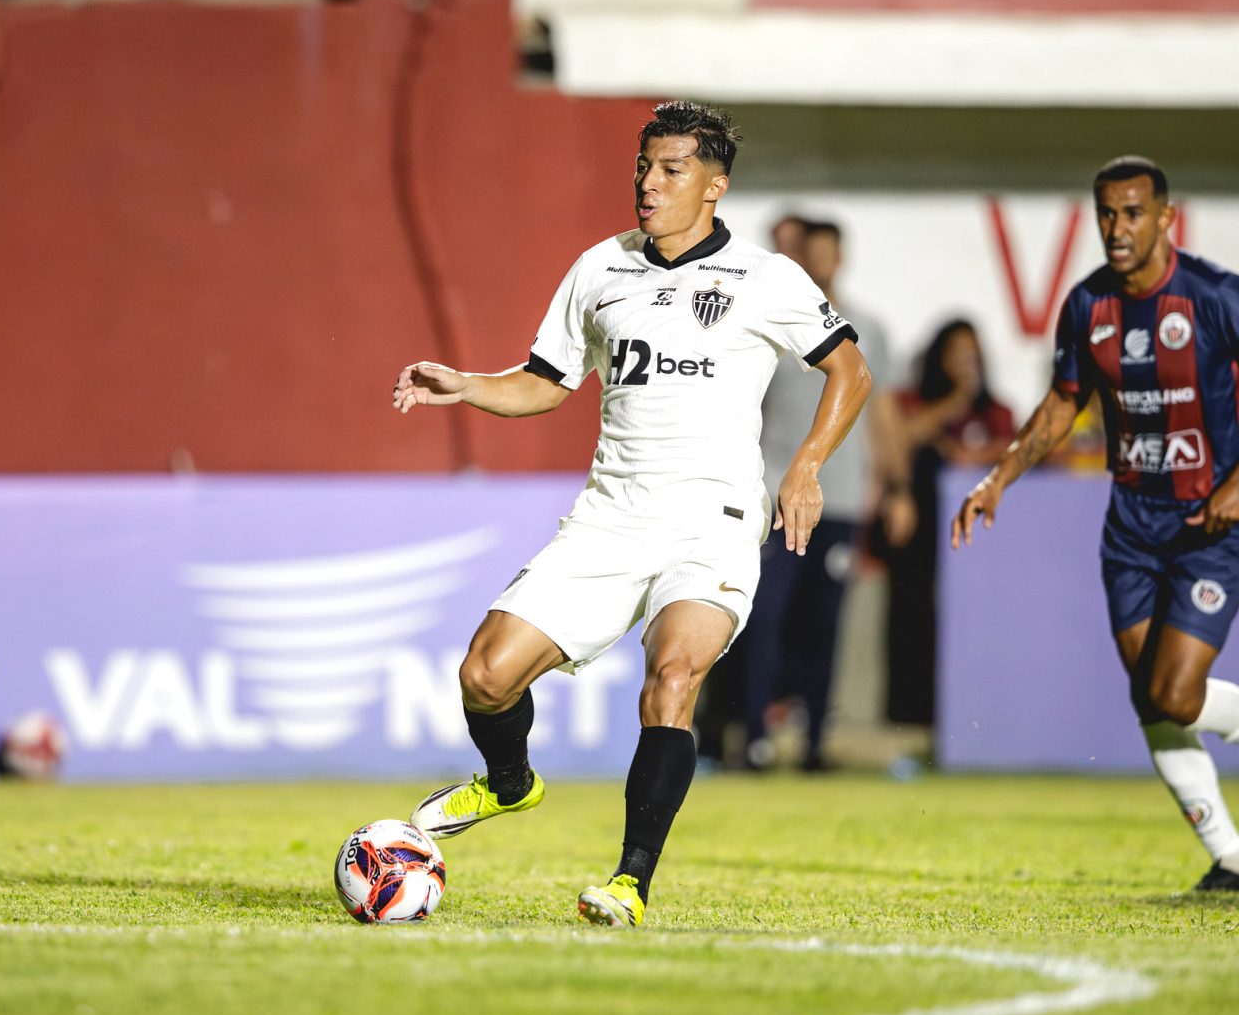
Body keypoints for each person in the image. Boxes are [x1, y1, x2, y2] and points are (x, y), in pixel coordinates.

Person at [391, 101, 871, 927]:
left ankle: (629, 882)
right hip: (611, 516)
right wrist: (468, 383)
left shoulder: (767, 279)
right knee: (485, 675)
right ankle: (509, 784)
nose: (649, 186)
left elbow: (851, 372)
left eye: (671, 171)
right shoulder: (600, 269)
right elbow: (547, 381)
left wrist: (805, 467)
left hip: (712, 520)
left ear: (715, 187)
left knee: (674, 676)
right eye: (643, 168)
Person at [952, 155, 1239, 891]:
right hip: (1132, 521)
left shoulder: (1217, 297)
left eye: (1134, 213)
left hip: (1212, 519)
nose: (1117, 228)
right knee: (1151, 696)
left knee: (1173, 694)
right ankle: (1231, 861)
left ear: (1168, 217)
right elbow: (1062, 403)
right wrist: (1000, 476)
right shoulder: (1088, 306)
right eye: (1106, 213)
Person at [715, 217, 912, 770]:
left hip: (843, 498)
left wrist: (896, 486)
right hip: (776, 495)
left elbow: (885, 412)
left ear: (840, 257)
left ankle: (815, 744)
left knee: (824, 627)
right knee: (762, 616)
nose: (819, 263)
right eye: (811, 253)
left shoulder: (868, 327)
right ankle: (752, 737)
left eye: (828, 253)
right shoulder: (771, 321)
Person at [883, 319, 1014, 728]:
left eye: (971, 355)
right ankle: (910, 720)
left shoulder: (997, 412)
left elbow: (1017, 452)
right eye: (956, 354)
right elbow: (901, 439)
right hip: (920, 544)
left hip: (983, 549)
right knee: (912, 625)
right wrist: (954, 401)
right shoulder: (914, 401)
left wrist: (968, 455)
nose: (965, 364)